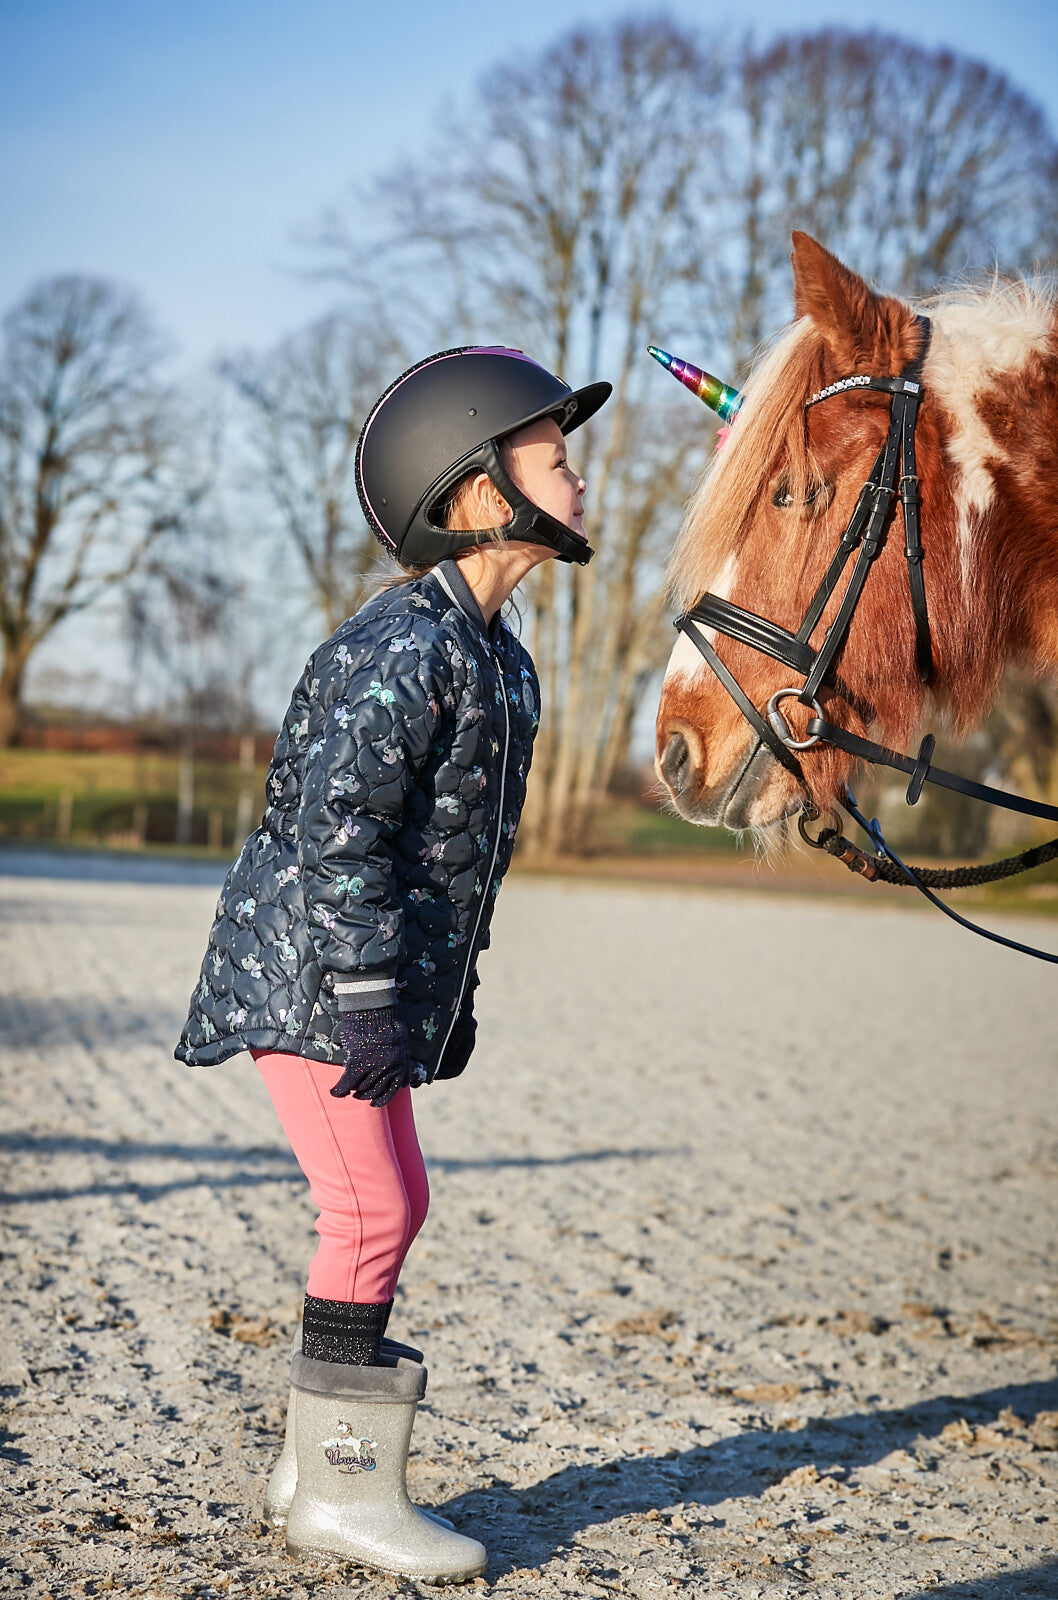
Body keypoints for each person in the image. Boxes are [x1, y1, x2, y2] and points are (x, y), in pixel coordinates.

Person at [175, 346, 611, 1584]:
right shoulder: (400, 648)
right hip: (313, 978)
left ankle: (314, 1464)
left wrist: (442, 1001)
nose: (581, 485)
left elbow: (462, 867)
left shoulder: (498, 658)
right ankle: (344, 1493)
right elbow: (337, 831)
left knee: (386, 1206)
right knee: (371, 1209)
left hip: (364, 991)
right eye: (559, 462)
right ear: (479, 492)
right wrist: (372, 998)